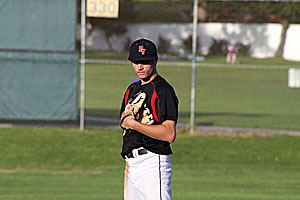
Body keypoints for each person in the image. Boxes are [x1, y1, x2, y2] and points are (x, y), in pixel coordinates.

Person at [120, 38, 179, 200]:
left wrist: (135, 123)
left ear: (155, 61)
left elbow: (169, 134)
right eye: (136, 61)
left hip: (152, 162)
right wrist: (129, 121)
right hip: (131, 163)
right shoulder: (132, 89)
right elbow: (123, 120)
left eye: (145, 62)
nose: (140, 66)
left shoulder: (163, 90)